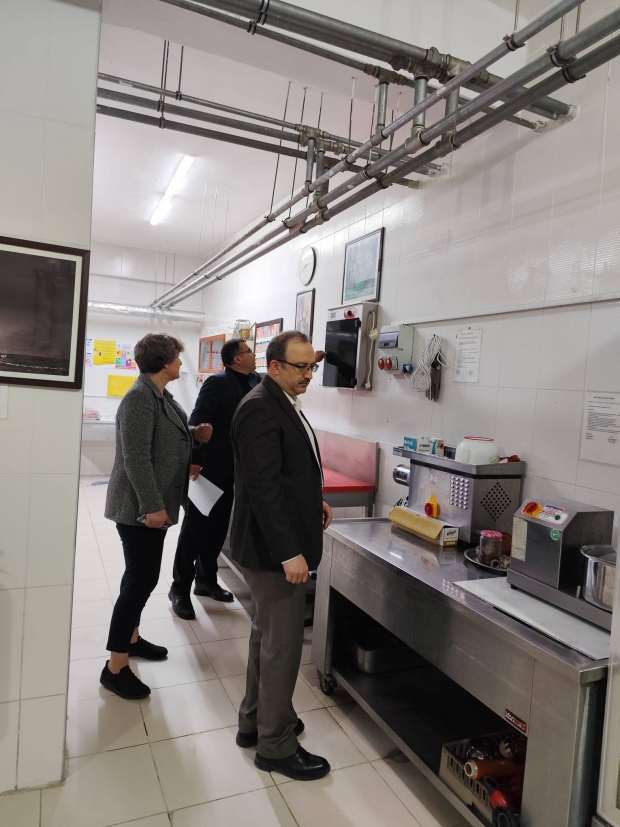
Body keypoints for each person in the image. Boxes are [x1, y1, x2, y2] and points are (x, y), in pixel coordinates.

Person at [230, 330, 332, 782]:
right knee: (283, 649)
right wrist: (289, 552)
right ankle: (275, 746)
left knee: (266, 638)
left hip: (274, 543)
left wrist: (313, 502)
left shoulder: (281, 400)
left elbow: (286, 471)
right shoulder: (260, 407)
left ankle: (255, 722)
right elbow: (263, 488)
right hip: (272, 552)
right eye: (300, 367)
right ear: (274, 367)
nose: (309, 375)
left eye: (313, 367)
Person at [101, 333, 212, 700]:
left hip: (154, 504)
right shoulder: (138, 399)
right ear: (165, 362)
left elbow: (167, 435)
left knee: (140, 576)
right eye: (177, 357)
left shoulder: (159, 395)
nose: (180, 363)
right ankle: (115, 667)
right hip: (138, 508)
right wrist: (151, 505)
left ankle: (131, 640)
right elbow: (135, 458)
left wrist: (194, 435)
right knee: (140, 580)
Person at [168, 338, 260, 619]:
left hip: (234, 470)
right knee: (195, 531)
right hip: (208, 470)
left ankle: (206, 581)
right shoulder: (217, 383)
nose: (254, 354)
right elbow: (198, 419)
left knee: (218, 529)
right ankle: (179, 589)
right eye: (249, 351)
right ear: (237, 359)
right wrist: (195, 457)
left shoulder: (255, 381)